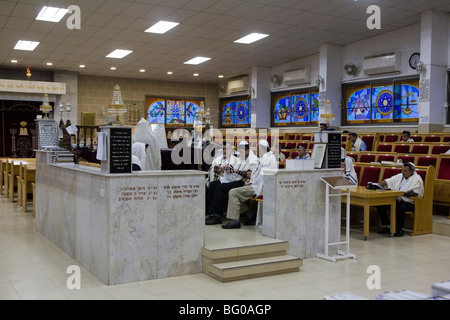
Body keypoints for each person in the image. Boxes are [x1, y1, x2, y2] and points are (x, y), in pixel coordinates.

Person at [222, 140, 278, 229]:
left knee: (233, 192)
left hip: (260, 187)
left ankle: (235, 221)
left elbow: (263, 178)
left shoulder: (269, 159)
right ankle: (249, 212)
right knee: (231, 192)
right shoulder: (263, 158)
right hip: (255, 184)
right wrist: (250, 180)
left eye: (258, 148)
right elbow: (255, 174)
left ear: (262, 148)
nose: (257, 150)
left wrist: (250, 182)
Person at [205, 141, 258, 225]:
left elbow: (249, 174)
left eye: (242, 152)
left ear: (247, 151)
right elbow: (235, 170)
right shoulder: (241, 158)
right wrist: (228, 169)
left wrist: (235, 171)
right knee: (213, 184)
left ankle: (217, 216)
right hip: (236, 179)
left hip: (244, 182)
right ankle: (212, 212)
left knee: (220, 188)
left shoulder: (253, 159)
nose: (240, 154)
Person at [376, 162, 424, 237]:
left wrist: (402, 193)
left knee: (400, 207)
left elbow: (415, 194)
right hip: (397, 198)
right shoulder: (400, 176)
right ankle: (387, 226)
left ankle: (400, 229)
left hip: (410, 201)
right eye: (402, 170)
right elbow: (388, 181)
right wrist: (377, 185)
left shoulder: (416, 179)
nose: (403, 172)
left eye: (405, 171)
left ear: (411, 172)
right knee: (381, 204)